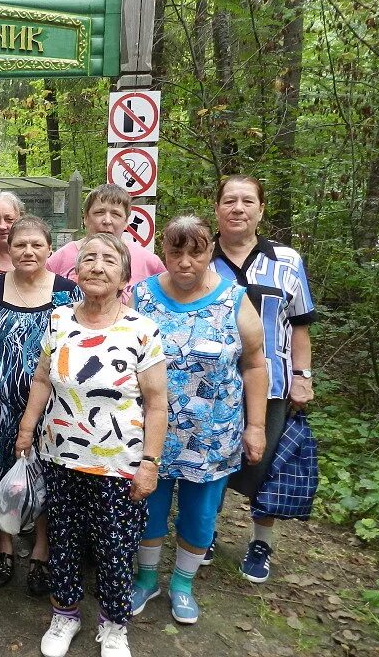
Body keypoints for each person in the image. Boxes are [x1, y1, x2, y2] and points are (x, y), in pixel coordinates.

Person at [15, 233, 168, 657]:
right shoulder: (59, 320)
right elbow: (43, 379)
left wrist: (150, 463)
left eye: (108, 260)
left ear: (124, 275)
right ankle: (64, 615)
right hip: (61, 455)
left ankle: (114, 624)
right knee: (62, 539)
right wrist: (27, 431)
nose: (97, 266)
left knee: (116, 548)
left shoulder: (142, 330)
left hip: (121, 462)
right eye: (89, 259)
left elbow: (157, 404)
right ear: (75, 271)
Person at [129, 216, 267, 624]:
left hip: (212, 434)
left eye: (196, 252)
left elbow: (256, 364)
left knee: (200, 514)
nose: (185, 262)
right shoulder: (140, 296)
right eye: (176, 252)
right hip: (149, 434)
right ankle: (147, 578)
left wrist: (255, 426)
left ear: (210, 252)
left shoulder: (235, 299)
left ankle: (183, 585)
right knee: (147, 508)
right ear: (164, 254)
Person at [207, 175, 317, 583]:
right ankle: (207, 533)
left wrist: (303, 377)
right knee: (210, 460)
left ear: (261, 209)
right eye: (229, 201)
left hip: (272, 383)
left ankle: (261, 542)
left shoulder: (286, 260)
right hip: (212, 384)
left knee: (266, 464)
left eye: (247, 201)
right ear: (217, 209)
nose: (238, 208)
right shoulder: (203, 258)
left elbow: (300, 324)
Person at [0, 216, 80, 594]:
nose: (28, 251)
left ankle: (41, 549)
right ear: (9, 248)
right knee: (2, 476)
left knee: (46, 477)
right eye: (20, 244)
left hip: (53, 406)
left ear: (50, 248)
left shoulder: (69, 291)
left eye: (37, 244)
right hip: (0, 407)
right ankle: (4, 547)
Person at [46, 184, 165, 296]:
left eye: (116, 214)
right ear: (86, 218)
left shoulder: (148, 262)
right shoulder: (61, 258)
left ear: (126, 222)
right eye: (99, 212)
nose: (107, 220)